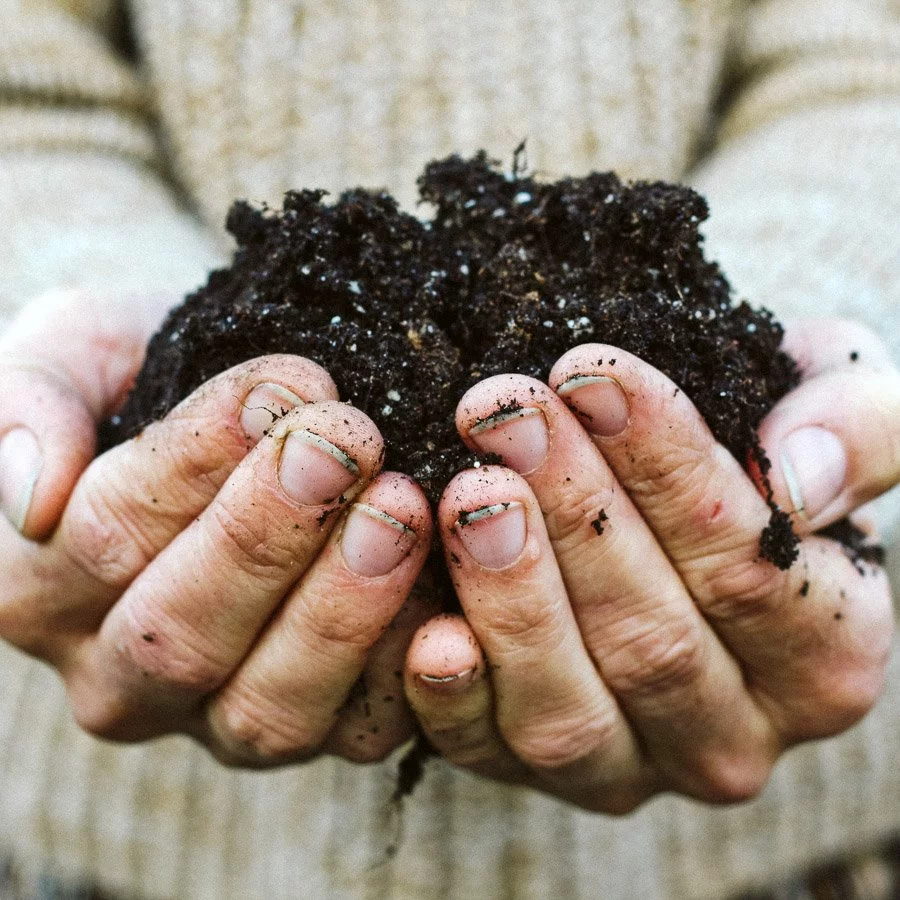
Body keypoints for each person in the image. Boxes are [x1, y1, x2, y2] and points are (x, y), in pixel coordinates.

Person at [0, 1, 898, 898]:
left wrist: (782, 351)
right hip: (118, 850)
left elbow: (866, 68)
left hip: (786, 854)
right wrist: (90, 324)